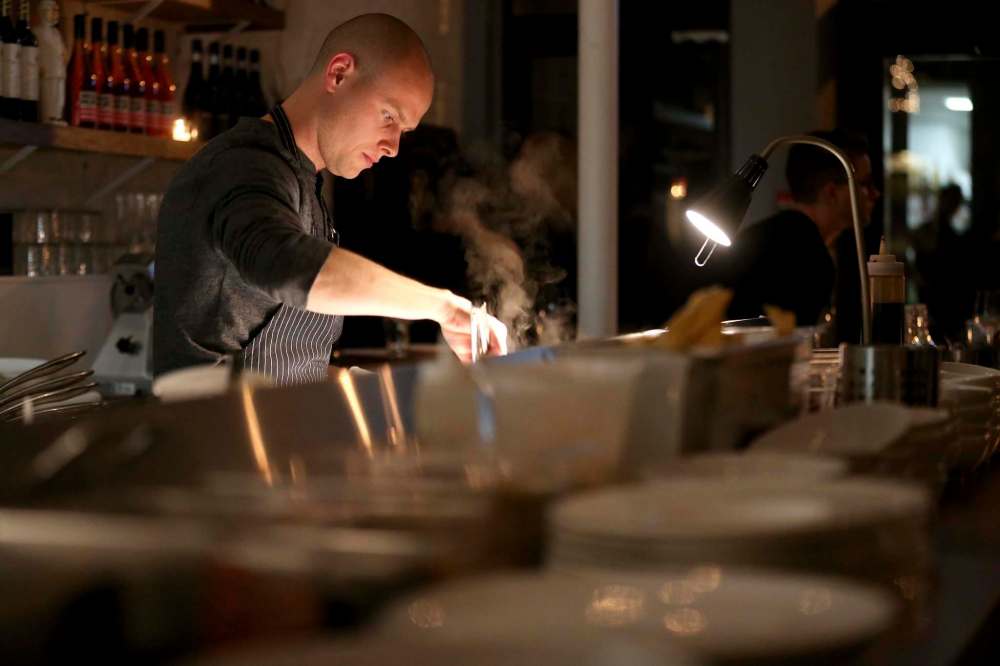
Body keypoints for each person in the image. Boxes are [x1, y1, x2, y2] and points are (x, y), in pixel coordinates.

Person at [153, 14, 506, 385]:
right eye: (388, 116)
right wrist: (443, 308)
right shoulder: (244, 166)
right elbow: (289, 265)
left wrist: (364, 387)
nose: (393, 146)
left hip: (273, 434)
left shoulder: (304, 180)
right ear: (338, 74)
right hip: (212, 437)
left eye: (403, 130)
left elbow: (284, 363)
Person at [712, 129, 880, 327]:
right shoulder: (804, 253)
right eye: (865, 184)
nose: (875, 194)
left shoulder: (786, 235)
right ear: (832, 193)